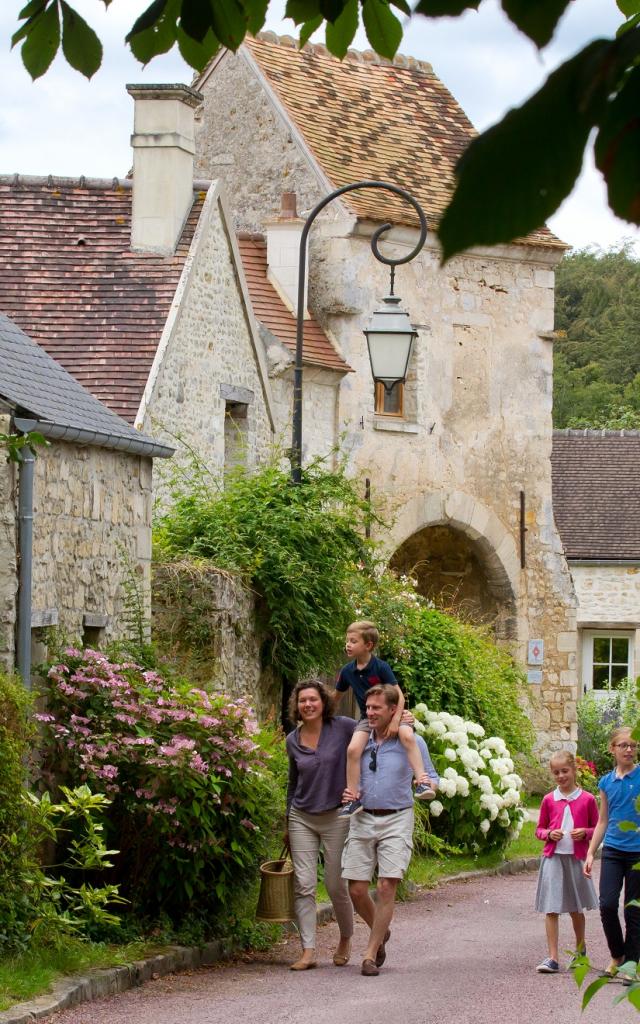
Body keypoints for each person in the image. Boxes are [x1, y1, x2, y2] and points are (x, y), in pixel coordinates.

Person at [341, 683, 439, 976]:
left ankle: (370, 954)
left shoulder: (412, 741)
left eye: (377, 708)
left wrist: (426, 784)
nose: (370, 713)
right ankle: (381, 931)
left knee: (386, 886)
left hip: (397, 817)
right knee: (357, 889)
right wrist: (348, 793)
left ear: (393, 710)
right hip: (362, 816)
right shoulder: (360, 740)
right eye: (368, 708)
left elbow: (432, 777)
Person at [285, 679, 356, 971]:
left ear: (323, 701)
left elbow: (373, 732)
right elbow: (293, 783)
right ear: (297, 706)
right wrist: (287, 822)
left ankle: (346, 938)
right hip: (301, 816)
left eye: (313, 699)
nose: (308, 704)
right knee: (303, 885)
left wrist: (401, 717)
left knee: (336, 884)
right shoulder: (292, 740)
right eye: (302, 700)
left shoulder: (343, 727)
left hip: (337, 816)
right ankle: (308, 951)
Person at [335, 621, 433, 817]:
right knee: (353, 750)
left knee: (407, 736)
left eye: (353, 641)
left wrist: (396, 720)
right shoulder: (347, 671)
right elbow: (335, 698)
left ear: (368, 645)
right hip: (367, 717)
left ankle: (422, 782)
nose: (348, 645)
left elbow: (400, 697)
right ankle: (352, 799)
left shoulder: (381, 667)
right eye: (347, 641)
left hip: (393, 713)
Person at [533, 750, 599, 973]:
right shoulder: (548, 800)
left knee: (575, 907)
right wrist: (548, 834)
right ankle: (552, 957)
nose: (561, 776)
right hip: (553, 858)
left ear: (574, 770)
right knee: (551, 907)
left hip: (576, 859)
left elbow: (598, 828)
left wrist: (586, 832)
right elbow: (539, 829)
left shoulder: (587, 799)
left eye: (565, 771)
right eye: (556, 772)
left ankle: (580, 952)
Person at [584, 726, 640, 978]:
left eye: (633, 746)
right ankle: (618, 955)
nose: (629, 750)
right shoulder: (606, 782)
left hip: (638, 853)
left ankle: (631, 964)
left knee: (633, 909)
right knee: (606, 905)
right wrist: (590, 852)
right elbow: (603, 820)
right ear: (612, 749)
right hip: (613, 851)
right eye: (624, 745)